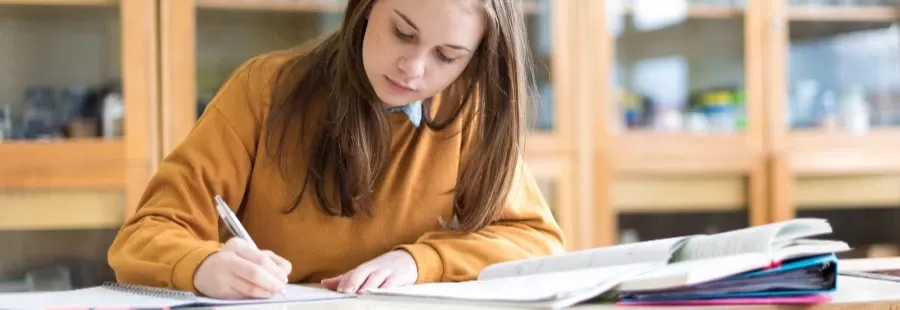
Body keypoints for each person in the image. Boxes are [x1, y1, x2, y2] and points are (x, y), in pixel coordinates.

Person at [106, 0, 565, 300]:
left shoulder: (466, 112)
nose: (413, 68)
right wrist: (203, 265)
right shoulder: (263, 90)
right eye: (402, 32)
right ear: (366, 8)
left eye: (446, 56)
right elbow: (144, 235)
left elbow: (536, 242)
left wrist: (419, 261)